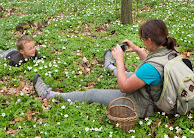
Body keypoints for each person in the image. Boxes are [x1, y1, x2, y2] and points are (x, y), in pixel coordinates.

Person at [33, 19, 179, 118]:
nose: (142, 42)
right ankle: (110, 67)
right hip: (160, 92)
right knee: (129, 74)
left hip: (144, 105)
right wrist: (138, 50)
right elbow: (155, 67)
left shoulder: (150, 69)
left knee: (93, 94)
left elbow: (124, 88)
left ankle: (50, 95)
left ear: (149, 40)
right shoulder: (170, 51)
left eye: (143, 40)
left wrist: (120, 61)